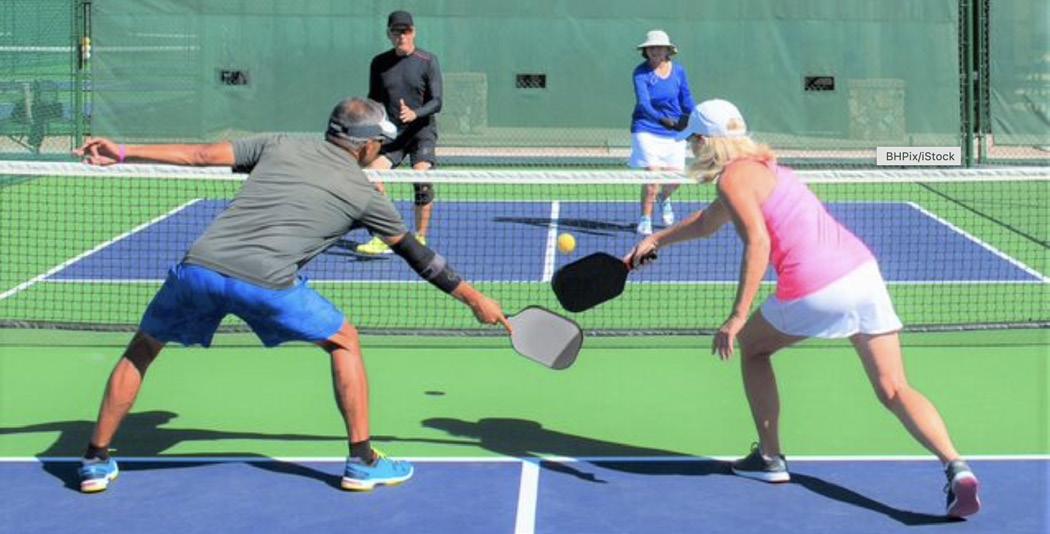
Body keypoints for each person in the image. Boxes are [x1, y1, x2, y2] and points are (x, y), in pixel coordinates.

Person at [72, 97, 510, 493]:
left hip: (200, 268)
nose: (380, 148)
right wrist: (476, 300)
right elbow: (420, 257)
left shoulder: (278, 144)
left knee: (143, 348)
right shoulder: (366, 195)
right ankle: (361, 461)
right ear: (363, 146)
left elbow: (200, 156)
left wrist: (122, 152)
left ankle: (94, 459)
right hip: (266, 282)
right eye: (378, 142)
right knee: (344, 341)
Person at [625, 99, 981, 518]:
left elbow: (758, 242)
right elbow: (707, 222)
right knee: (894, 388)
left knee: (753, 348)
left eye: (693, 141)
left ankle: (770, 458)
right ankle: (956, 467)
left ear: (706, 141)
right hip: (863, 274)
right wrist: (656, 240)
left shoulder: (733, 180)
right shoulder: (768, 169)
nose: (691, 149)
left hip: (816, 286)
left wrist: (737, 317)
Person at [356, 10, 443, 255]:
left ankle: (420, 238)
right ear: (389, 34)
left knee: (422, 180)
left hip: (421, 134)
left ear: (413, 32)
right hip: (392, 136)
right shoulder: (379, 63)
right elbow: (374, 100)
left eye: (405, 31)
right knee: (371, 177)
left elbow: (437, 101)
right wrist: (371, 125)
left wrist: (415, 113)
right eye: (396, 32)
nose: (401, 36)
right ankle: (387, 235)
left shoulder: (428, 61)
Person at [629, 29, 696, 235]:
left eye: (659, 47)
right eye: (651, 48)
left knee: (675, 179)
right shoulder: (640, 73)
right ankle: (645, 219)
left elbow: (687, 99)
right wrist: (662, 120)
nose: (655, 50)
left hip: (674, 130)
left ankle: (664, 198)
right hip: (646, 127)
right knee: (653, 176)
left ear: (668, 50)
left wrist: (694, 120)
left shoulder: (679, 71)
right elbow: (644, 104)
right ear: (646, 51)